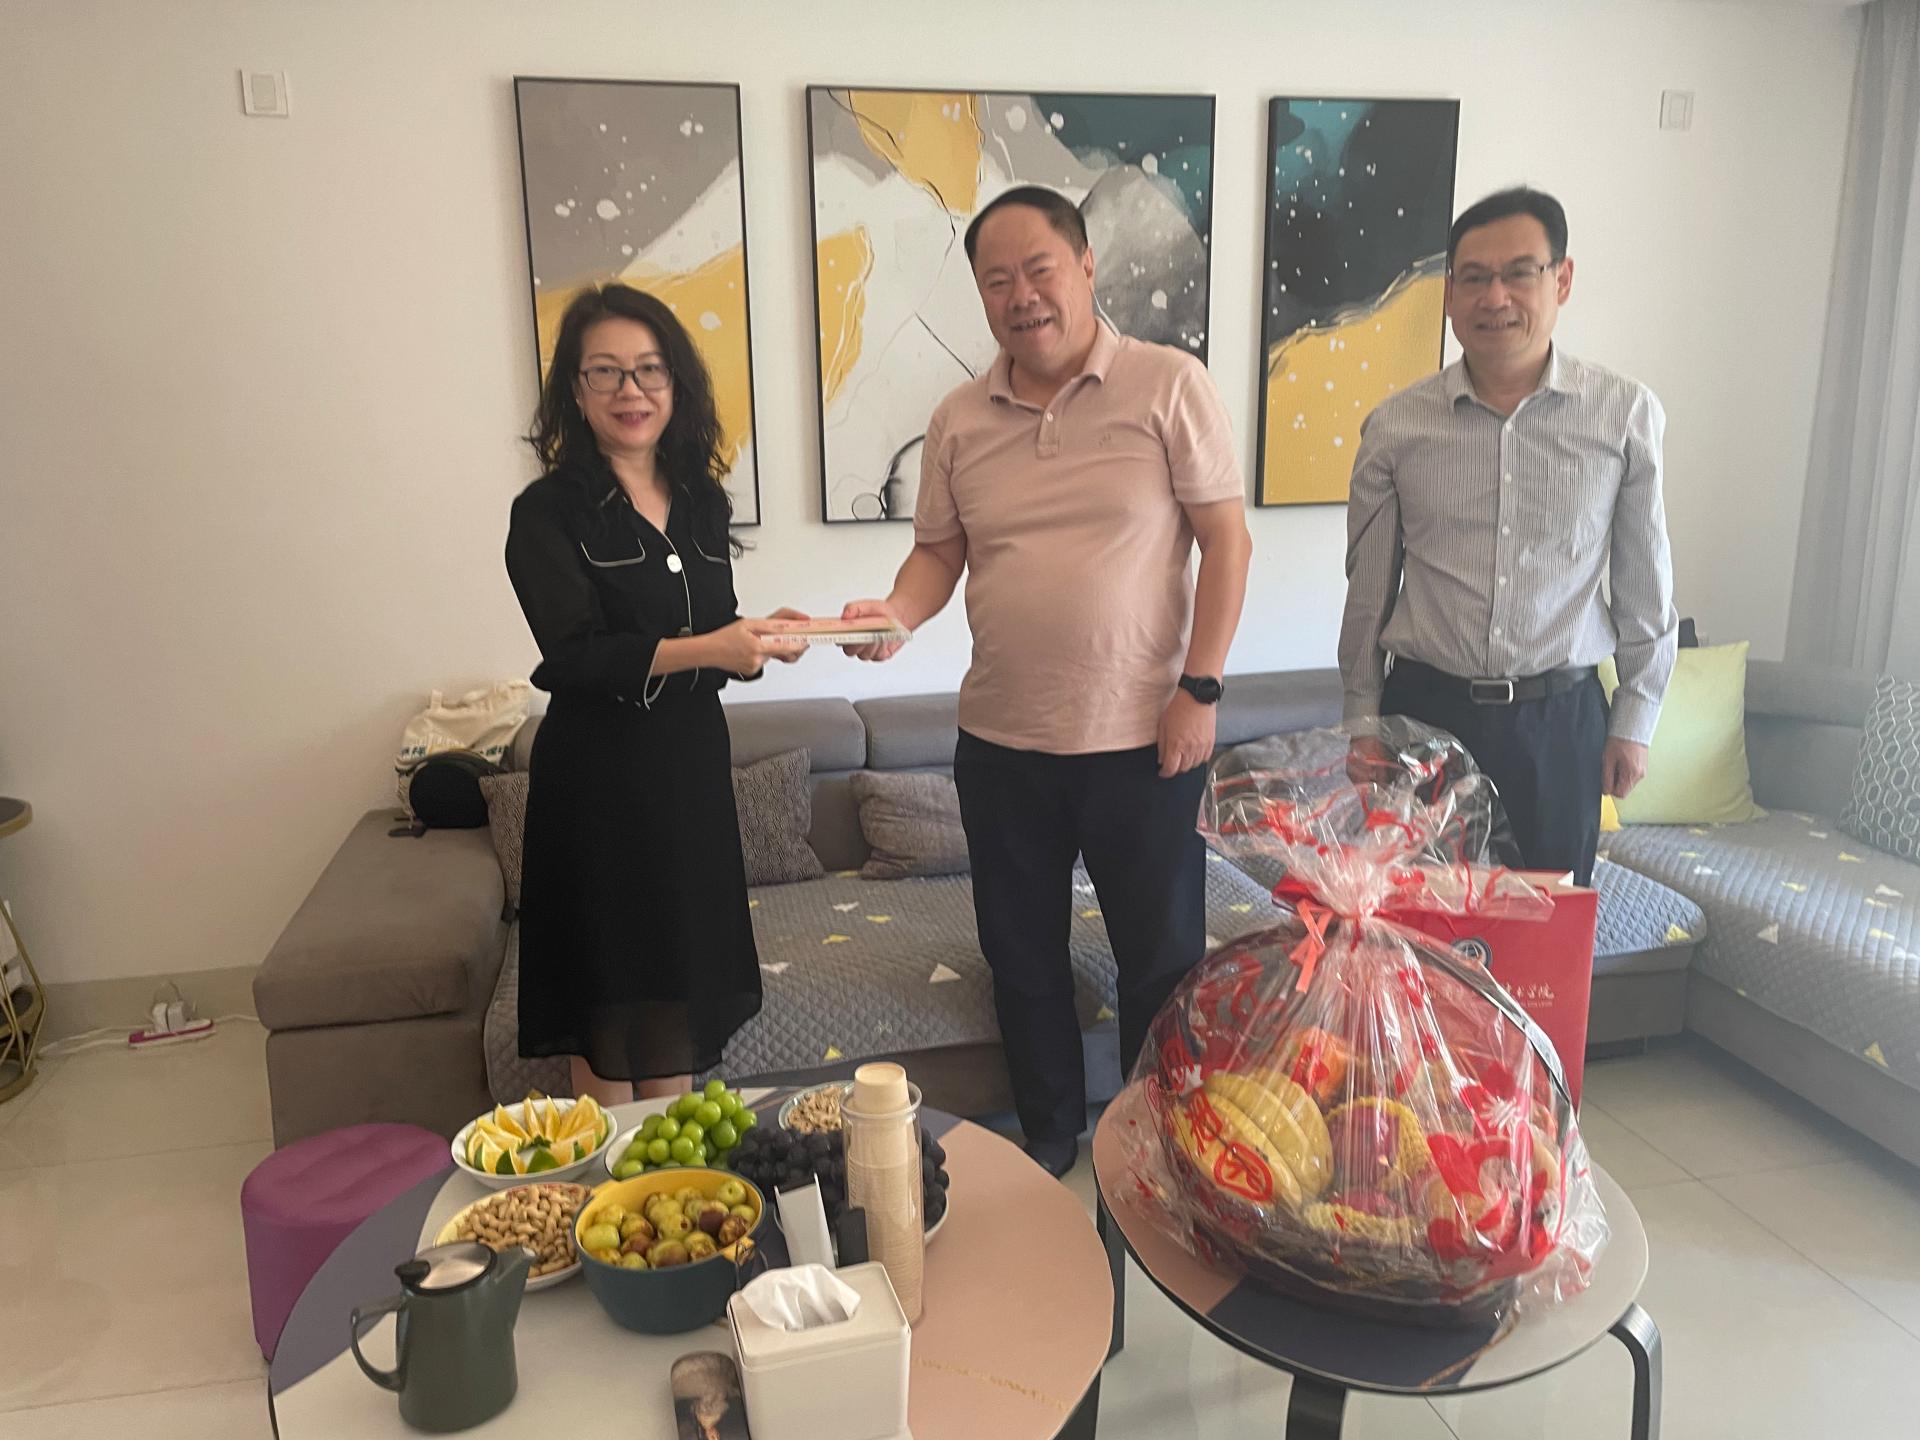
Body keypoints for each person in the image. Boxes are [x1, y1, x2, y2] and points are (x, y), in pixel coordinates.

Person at [841, 186, 1253, 1177]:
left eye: (1039, 270)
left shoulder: (1169, 384)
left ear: (1085, 267)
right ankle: (1052, 1134)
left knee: (1162, 960)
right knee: (1021, 957)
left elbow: (1227, 541)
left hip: (1145, 742)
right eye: (997, 280)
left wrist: (1200, 690)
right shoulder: (958, 418)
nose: (1021, 295)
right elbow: (938, 555)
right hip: (1002, 745)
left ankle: (1163, 1140)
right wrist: (894, 616)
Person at [505, 283, 807, 1106]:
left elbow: (710, 637)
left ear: (676, 383)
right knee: (608, 996)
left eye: (649, 369)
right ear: (575, 391)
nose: (630, 390)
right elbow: (575, 657)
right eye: (605, 371)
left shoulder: (702, 501)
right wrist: (714, 646)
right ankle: (607, 1175)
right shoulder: (547, 512)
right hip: (597, 787)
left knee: (677, 986)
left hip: (689, 778)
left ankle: (668, 1173)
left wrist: (758, 643)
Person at [1338, 186, 1677, 887]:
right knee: (1419, 934)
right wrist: (1362, 720)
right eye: (1473, 278)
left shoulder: (1623, 416)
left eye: (1519, 272)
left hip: (1559, 724)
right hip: (1424, 718)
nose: (1495, 297)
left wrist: (1635, 718)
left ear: (1562, 279)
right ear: (1449, 295)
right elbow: (1368, 591)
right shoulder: (1396, 427)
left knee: (1545, 934)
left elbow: (1645, 586)